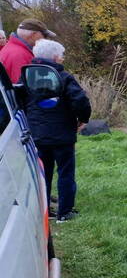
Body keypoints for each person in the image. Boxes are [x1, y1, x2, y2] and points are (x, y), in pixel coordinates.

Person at [25, 39, 91, 222]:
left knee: (42, 173)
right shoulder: (63, 77)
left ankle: (43, 212)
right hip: (62, 135)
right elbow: (80, 101)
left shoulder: (28, 75)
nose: (63, 58)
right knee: (66, 172)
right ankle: (65, 211)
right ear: (55, 57)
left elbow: (20, 100)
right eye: (61, 55)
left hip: (37, 134)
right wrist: (83, 119)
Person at [1, 18, 56, 83]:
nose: (45, 39)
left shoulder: (13, 48)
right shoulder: (19, 55)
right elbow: (22, 88)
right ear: (33, 35)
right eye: (44, 35)